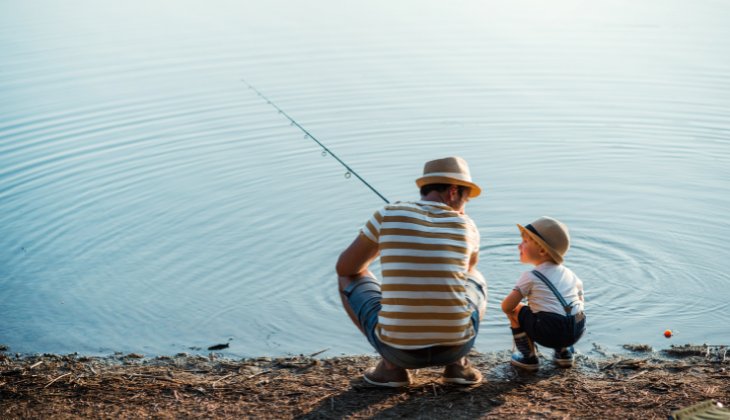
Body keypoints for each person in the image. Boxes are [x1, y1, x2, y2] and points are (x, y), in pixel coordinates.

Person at [336, 156, 487, 387]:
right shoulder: (468, 226)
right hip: (455, 347)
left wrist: (384, 245)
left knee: (349, 276)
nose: (464, 207)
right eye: (465, 199)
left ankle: (391, 368)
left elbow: (345, 268)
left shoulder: (387, 214)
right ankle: (459, 366)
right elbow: (467, 270)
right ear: (453, 191)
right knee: (477, 279)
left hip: (399, 351)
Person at [501, 216, 586, 370]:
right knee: (566, 310)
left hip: (550, 332)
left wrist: (519, 309)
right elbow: (580, 301)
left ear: (542, 250)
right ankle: (565, 353)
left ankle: (528, 357)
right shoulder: (571, 274)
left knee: (516, 309)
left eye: (525, 242)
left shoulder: (530, 276)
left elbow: (507, 306)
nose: (519, 246)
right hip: (578, 329)